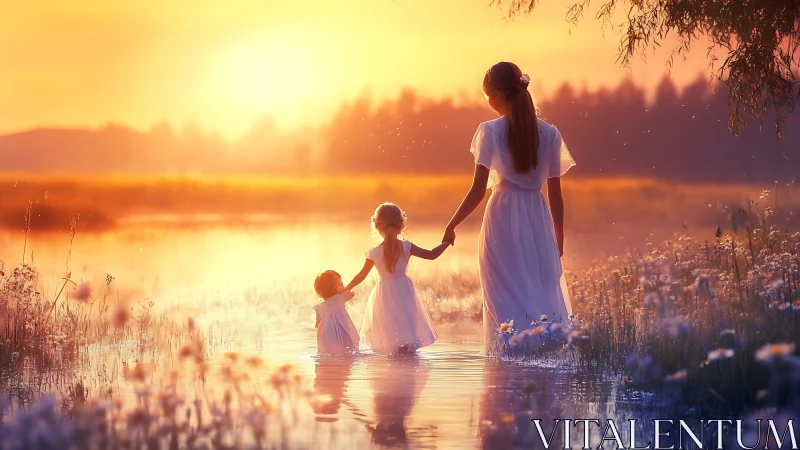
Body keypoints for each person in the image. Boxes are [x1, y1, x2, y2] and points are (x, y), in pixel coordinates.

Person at [442, 61, 575, 355]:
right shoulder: (550, 133)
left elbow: (478, 190)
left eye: (488, 95)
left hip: (502, 216)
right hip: (537, 216)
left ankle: (511, 359)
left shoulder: (489, 131)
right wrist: (558, 232)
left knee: (504, 291)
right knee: (535, 284)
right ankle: (539, 351)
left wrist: (452, 224)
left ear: (501, 93)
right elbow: (555, 192)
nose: (488, 102)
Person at [344, 202, 448, 355]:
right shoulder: (406, 246)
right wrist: (447, 242)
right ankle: (405, 367)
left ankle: (395, 368)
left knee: (391, 332)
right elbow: (432, 255)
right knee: (406, 330)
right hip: (405, 291)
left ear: (377, 226)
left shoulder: (374, 253)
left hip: (384, 295)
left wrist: (346, 288)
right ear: (400, 225)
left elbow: (361, 275)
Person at [313, 269, 360, 355]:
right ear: (334, 287)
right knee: (346, 341)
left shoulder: (319, 306)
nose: (343, 284)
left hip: (327, 330)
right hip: (342, 325)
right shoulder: (340, 297)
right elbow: (353, 293)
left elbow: (318, 323)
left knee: (330, 347)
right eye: (340, 283)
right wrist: (345, 289)